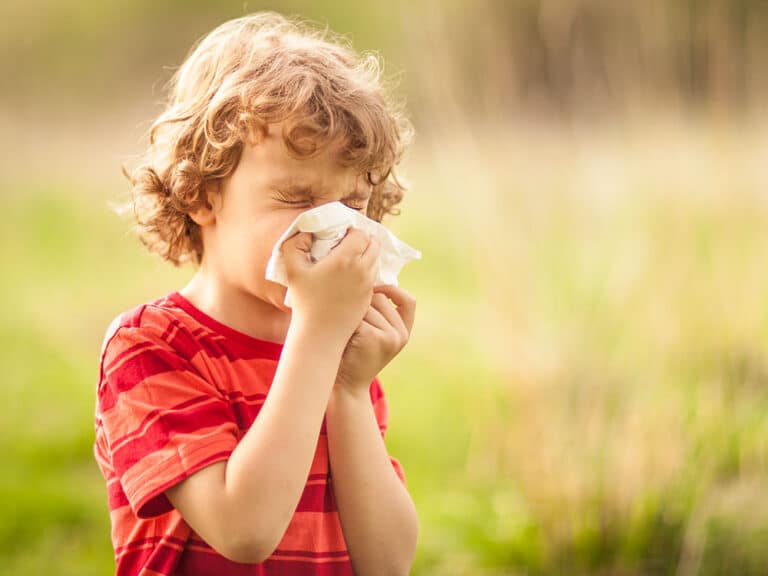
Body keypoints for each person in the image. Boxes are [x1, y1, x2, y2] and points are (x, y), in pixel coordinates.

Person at [93, 11, 418, 576]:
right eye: (296, 199)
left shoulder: (338, 355)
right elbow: (243, 531)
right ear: (201, 196)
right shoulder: (149, 348)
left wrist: (349, 388)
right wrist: (319, 337)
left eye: (354, 206)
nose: (332, 231)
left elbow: (387, 562)